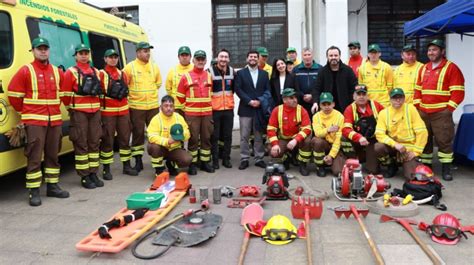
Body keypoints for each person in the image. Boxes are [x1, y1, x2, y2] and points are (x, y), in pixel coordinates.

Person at [7, 37, 69, 206]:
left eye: (45, 48)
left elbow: (64, 94)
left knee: (53, 155)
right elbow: (13, 95)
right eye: (39, 48)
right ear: (33, 51)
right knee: (34, 156)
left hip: (54, 121)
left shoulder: (57, 71)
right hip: (34, 122)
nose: (43, 51)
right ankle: (33, 191)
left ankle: (52, 186)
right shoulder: (25, 71)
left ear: (49, 51)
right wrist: (26, 112)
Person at [414, 39, 465, 181]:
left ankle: (446, 168)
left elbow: (458, 91)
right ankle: (427, 167)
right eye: (429, 50)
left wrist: (449, 109)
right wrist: (418, 106)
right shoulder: (424, 68)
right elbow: (417, 89)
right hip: (423, 112)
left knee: (444, 141)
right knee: (424, 140)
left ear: (442, 51)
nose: (431, 52)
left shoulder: (451, 68)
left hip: (441, 113)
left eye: (435, 50)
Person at [61, 43, 103, 189]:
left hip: (95, 112)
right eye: (81, 53)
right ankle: (84, 176)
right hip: (79, 113)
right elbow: (65, 95)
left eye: (86, 53)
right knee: (81, 144)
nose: (84, 55)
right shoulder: (70, 72)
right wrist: (72, 108)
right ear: (76, 56)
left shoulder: (96, 71)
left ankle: (93, 173)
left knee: (94, 142)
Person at [98, 49, 138, 180]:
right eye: (110, 57)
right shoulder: (101, 74)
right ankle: (106, 169)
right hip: (108, 113)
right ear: (105, 59)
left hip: (123, 112)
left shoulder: (123, 74)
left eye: (115, 57)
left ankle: (126, 166)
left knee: (125, 140)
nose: (113, 59)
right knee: (107, 141)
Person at [123, 41, 162, 173]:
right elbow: (124, 85)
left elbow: (158, 83)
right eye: (145, 51)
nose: (148, 53)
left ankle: (157, 160)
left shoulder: (154, 67)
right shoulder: (129, 68)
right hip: (136, 107)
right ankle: (138, 161)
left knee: (155, 133)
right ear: (138, 52)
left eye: (148, 51)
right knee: (138, 134)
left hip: (153, 107)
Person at [374, 88, 428, 179]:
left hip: (408, 148)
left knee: (411, 177)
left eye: (400, 97)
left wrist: (416, 152)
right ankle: (391, 165)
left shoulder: (411, 109)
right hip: (394, 146)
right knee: (378, 147)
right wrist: (395, 144)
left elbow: (422, 131)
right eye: (395, 98)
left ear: (404, 98)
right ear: (390, 99)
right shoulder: (384, 113)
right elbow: (379, 134)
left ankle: (406, 163)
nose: (398, 100)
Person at [176, 50, 214, 175]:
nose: (200, 61)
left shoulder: (209, 76)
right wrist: (189, 108)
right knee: (192, 139)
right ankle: (192, 163)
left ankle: (205, 162)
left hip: (207, 114)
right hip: (192, 115)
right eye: (198, 59)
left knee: (206, 138)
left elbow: (211, 94)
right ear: (193, 61)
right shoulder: (186, 77)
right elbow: (180, 96)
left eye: (203, 59)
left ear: (206, 61)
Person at [235, 50, 272, 170]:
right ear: (247, 59)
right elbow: (238, 90)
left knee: (258, 135)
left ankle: (259, 158)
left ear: (258, 59)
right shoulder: (240, 73)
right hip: (246, 108)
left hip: (259, 109)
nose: (253, 58)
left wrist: (260, 101)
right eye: (250, 56)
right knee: (244, 136)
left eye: (255, 57)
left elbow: (268, 91)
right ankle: (244, 158)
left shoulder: (264, 74)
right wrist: (250, 101)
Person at [267, 88, 312, 175]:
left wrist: (296, 140)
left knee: (307, 141)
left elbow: (307, 128)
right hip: (284, 139)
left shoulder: (301, 109)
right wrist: (275, 145)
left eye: (295, 97)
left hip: (298, 139)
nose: (295, 100)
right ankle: (286, 158)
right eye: (291, 98)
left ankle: (302, 164)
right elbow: (271, 129)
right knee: (271, 150)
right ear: (284, 100)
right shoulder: (277, 110)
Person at [342, 85, 385, 173]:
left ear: (367, 96)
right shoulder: (349, 109)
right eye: (358, 94)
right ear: (354, 96)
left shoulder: (376, 105)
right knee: (343, 138)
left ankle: (371, 160)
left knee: (373, 170)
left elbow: (387, 120)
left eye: (363, 94)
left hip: (373, 140)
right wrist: (359, 137)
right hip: (358, 140)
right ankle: (353, 160)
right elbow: (346, 129)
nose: (361, 97)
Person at [147, 96, 192, 175]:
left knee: (187, 159)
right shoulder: (156, 119)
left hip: (174, 149)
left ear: (174, 107)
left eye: (171, 106)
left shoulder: (179, 117)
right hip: (161, 148)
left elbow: (187, 132)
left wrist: (180, 136)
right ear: (161, 107)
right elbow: (151, 136)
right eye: (166, 106)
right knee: (154, 147)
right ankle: (159, 169)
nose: (169, 108)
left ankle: (170, 164)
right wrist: (167, 141)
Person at [209, 48, 236, 169]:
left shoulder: (232, 72)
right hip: (215, 110)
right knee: (214, 136)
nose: (223, 59)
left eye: (226, 57)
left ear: (228, 59)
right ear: (217, 58)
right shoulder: (209, 72)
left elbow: (236, 88)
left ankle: (226, 158)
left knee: (227, 136)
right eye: (221, 57)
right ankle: (215, 160)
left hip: (228, 109)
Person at [313, 46, 357, 113]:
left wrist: (352, 104)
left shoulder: (348, 71)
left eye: (336, 55)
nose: (333, 57)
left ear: (339, 56)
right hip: (327, 108)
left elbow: (354, 88)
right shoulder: (322, 72)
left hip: (345, 108)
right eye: (331, 55)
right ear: (327, 57)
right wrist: (315, 102)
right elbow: (316, 89)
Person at [311, 92, 345, 177]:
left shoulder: (339, 116)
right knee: (317, 141)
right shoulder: (316, 116)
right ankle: (320, 166)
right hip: (324, 144)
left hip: (335, 146)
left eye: (329, 104)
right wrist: (328, 130)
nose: (326, 107)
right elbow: (318, 133)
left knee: (338, 172)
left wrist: (331, 155)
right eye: (324, 104)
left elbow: (338, 139)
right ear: (320, 105)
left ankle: (333, 160)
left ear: (333, 104)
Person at [293, 47, 322, 116]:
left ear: (312, 55)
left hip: (316, 103)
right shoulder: (296, 70)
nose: (307, 57)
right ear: (302, 56)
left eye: (309, 54)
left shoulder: (320, 69)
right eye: (305, 55)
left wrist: (312, 96)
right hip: (300, 103)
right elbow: (294, 86)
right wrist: (302, 95)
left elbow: (322, 86)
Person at [165, 46, 193, 117]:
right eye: (182, 55)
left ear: (190, 56)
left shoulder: (194, 69)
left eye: (186, 55)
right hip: (176, 107)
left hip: (190, 107)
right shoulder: (173, 70)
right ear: (178, 57)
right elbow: (168, 88)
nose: (184, 57)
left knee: (189, 127)